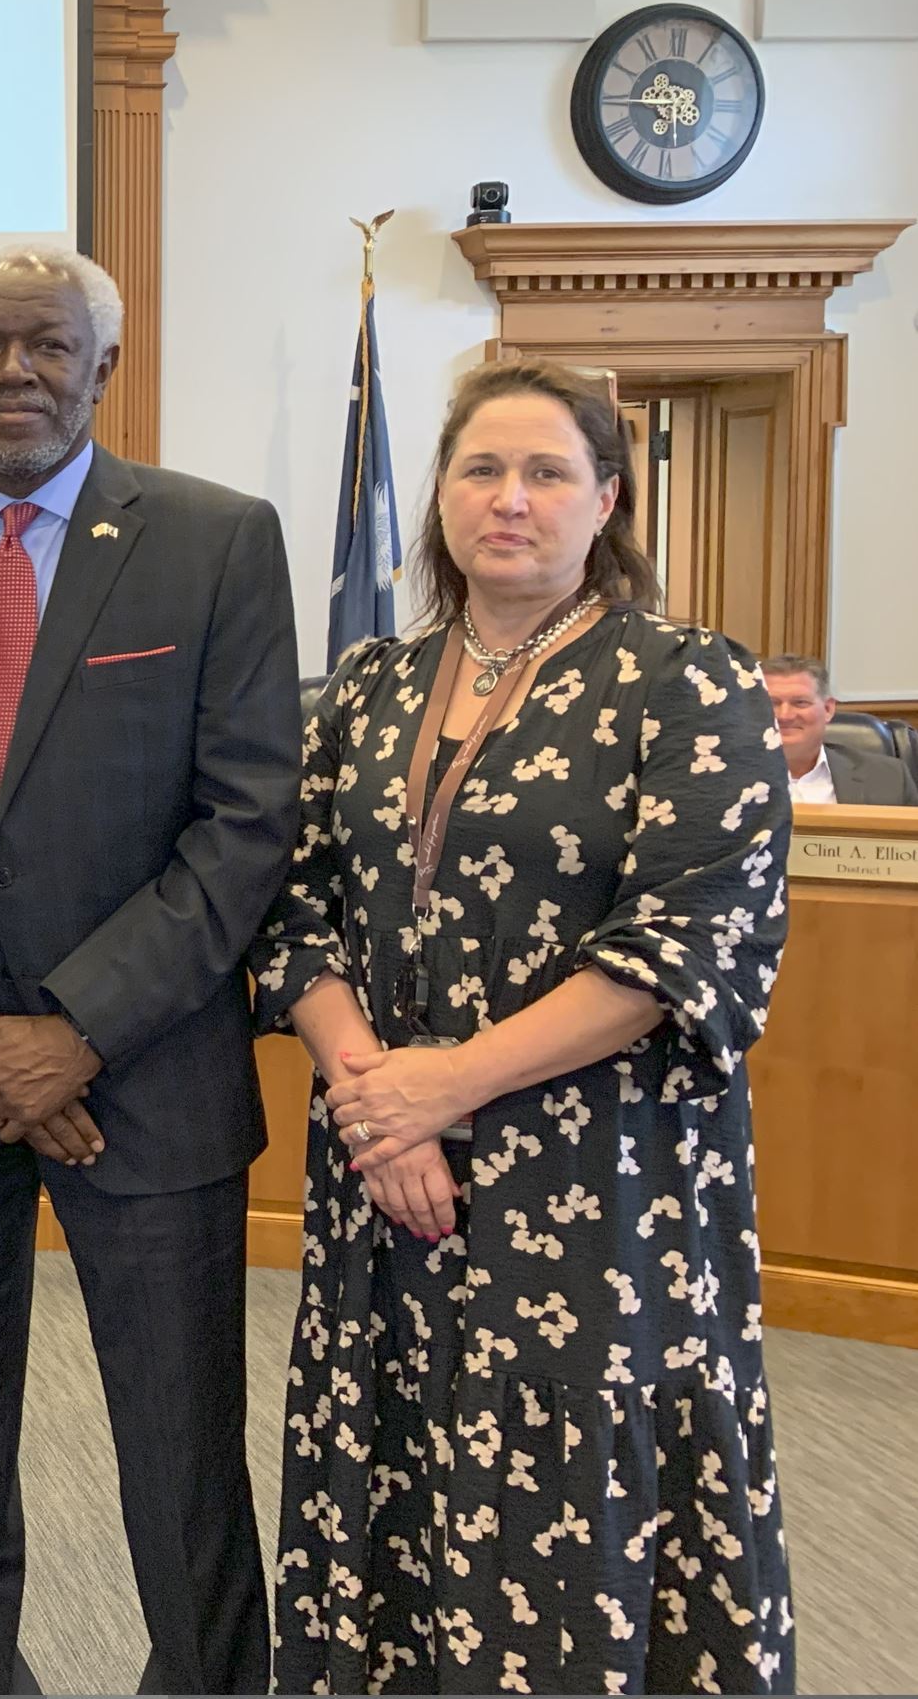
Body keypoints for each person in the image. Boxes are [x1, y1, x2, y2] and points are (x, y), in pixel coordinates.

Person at [253, 356, 795, 1693]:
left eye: (546, 470)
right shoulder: (366, 685)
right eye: (479, 469)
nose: (509, 499)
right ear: (436, 496)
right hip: (389, 1184)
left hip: (597, 1196)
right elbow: (290, 903)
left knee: (566, 1513)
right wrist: (375, 1100)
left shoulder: (687, 683)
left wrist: (442, 1088)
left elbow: (683, 939)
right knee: (393, 1485)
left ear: (605, 498)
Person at [0, 246, 301, 1696]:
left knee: (178, 1449)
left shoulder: (215, 539)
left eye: (42, 345)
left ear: (104, 366)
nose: (9, 371)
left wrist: (75, 1029)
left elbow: (247, 818)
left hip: (145, 1082)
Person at [761, 653, 916, 805]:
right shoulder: (736, 773)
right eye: (772, 703)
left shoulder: (888, 778)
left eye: (800, 702)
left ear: (828, 709)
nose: (784, 716)